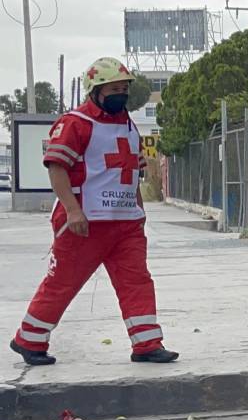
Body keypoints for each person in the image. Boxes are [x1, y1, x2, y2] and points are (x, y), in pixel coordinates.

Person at [10, 57, 179, 367]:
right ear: (96, 90)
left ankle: (147, 344)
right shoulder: (75, 123)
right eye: (115, 89)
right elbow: (57, 168)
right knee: (63, 281)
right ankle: (29, 339)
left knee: (137, 282)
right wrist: (73, 212)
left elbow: (131, 174)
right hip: (84, 222)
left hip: (125, 223)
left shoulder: (128, 125)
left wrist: (139, 212)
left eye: (125, 89)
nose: (122, 95)